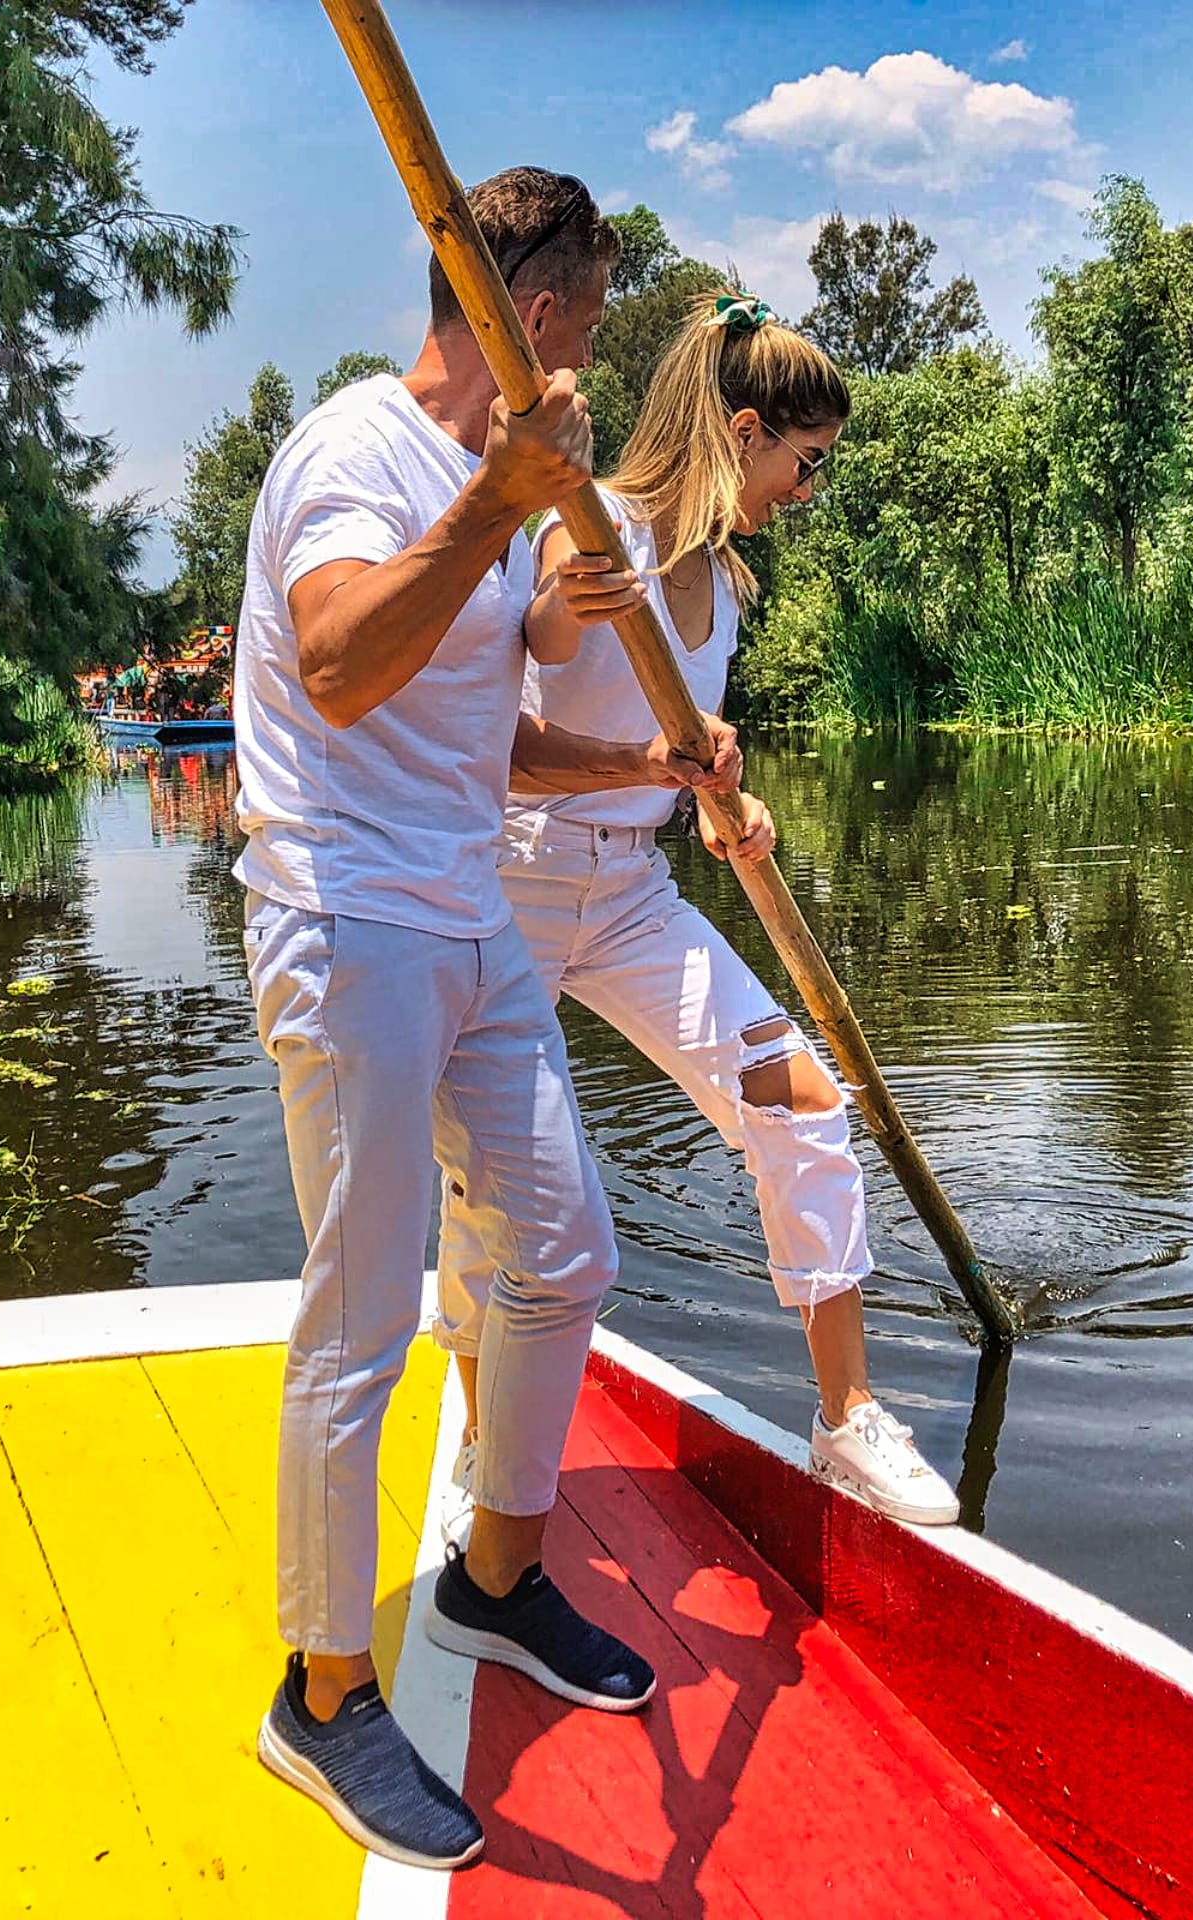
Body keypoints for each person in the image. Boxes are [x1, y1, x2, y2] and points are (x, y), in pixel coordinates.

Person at [234, 168, 743, 1871]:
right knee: (363, 1315)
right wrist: (497, 507)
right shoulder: (356, 454)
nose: (598, 352)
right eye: (592, 318)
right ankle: (319, 1697)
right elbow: (339, 669)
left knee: (564, 1246)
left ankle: (495, 1579)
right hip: (348, 923)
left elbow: (486, 740)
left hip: (468, 918)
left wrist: (638, 748)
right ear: (536, 318)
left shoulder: (507, 502)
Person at [435, 291, 961, 1540]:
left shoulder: (725, 584)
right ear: (742, 430)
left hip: (629, 898)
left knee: (804, 1103)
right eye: (806, 461)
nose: (808, 488)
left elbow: (676, 752)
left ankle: (847, 1423)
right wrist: (586, 605)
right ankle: (476, 1432)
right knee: (486, 1196)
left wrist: (734, 802)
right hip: (505, 890)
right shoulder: (586, 529)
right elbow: (512, 735)